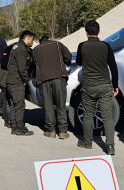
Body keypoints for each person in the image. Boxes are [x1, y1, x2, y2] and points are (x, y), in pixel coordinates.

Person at [75, 20, 118, 155]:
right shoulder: (106, 46)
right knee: (107, 116)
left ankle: (87, 143)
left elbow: (79, 62)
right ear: (99, 31)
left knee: (88, 115)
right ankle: (110, 146)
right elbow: (113, 67)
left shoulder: (82, 46)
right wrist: (115, 85)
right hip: (105, 85)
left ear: (86, 32)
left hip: (88, 86)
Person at [33, 34, 72, 139]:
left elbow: (33, 66)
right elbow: (69, 57)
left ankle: (51, 131)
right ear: (49, 39)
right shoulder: (58, 44)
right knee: (61, 105)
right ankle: (63, 131)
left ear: (40, 42)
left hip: (43, 80)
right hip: (59, 77)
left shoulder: (35, 50)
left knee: (48, 105)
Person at [5, 30, 35, 136]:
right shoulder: (22, 49)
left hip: (10, 80)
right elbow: (22, 68)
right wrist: (25, 80)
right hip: (16, 81)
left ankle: (14, 127)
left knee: (13, 105)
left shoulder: (16, 46)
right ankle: (20, 128)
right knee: (20, 105)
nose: (33, 42)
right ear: (27, 38)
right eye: (32, 39)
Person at [0, 42, 16, 128]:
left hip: (1, 76)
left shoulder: (6, 50)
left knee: (4, 95)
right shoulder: (15, 51)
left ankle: (0, 108)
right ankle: (7, 119)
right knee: (8, 100)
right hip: (7, 78)